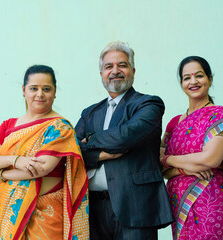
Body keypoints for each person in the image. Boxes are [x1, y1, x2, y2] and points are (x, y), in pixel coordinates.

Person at [75, 41, 174, 240]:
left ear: (133, 70)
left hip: (135, 206)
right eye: (108, 66)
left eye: (122, 65)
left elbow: (127, 136)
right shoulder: (90, 113)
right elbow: (73, 149)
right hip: (92, 209)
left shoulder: (148, 104)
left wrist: (91, 140)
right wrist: (102, 153)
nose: (115, 71)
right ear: (101, 73)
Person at [0, 65, 89, 240]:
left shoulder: (59, 126)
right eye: (33, 88)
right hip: (13, 211)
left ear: (54, 92)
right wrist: (16, 160)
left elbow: (41, 168)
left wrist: (4, 174)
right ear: (23, 90)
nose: (39, 94)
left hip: (48, 213)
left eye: (46, 89)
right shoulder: (9, 125)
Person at [160, 56, 223, 240]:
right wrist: (184, 169)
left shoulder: (218, 115)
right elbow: (160, 169)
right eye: (187, 77)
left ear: (210, 79)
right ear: (181, 83)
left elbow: (211, 159)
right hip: (179, 205)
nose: (193, 81)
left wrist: (169, 160)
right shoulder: (173, 124)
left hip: (210, 202)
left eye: (199, 75)